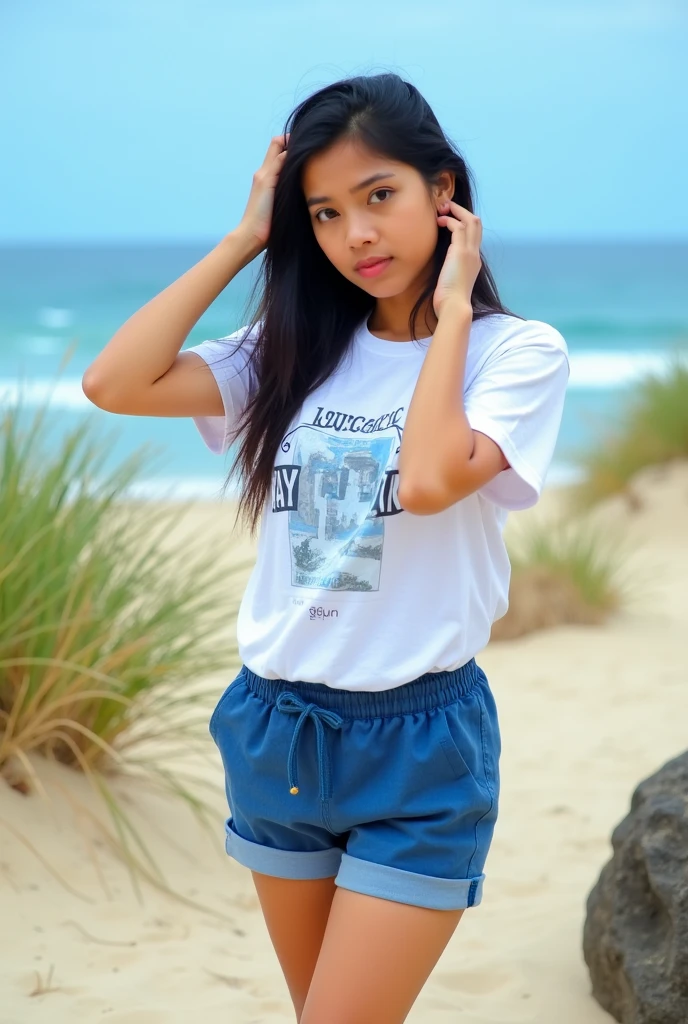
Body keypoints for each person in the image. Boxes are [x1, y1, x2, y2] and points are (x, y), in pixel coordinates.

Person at [83, 72, 569, 1024]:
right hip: (277, 729)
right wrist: (244, 238)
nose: (356, 236)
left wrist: (456, 313)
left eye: (378, 196)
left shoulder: (518, 354)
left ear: (443, 191)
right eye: (325, 213)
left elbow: (429, 481)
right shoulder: (292, 347)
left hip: (420, 742)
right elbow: (114, 382)